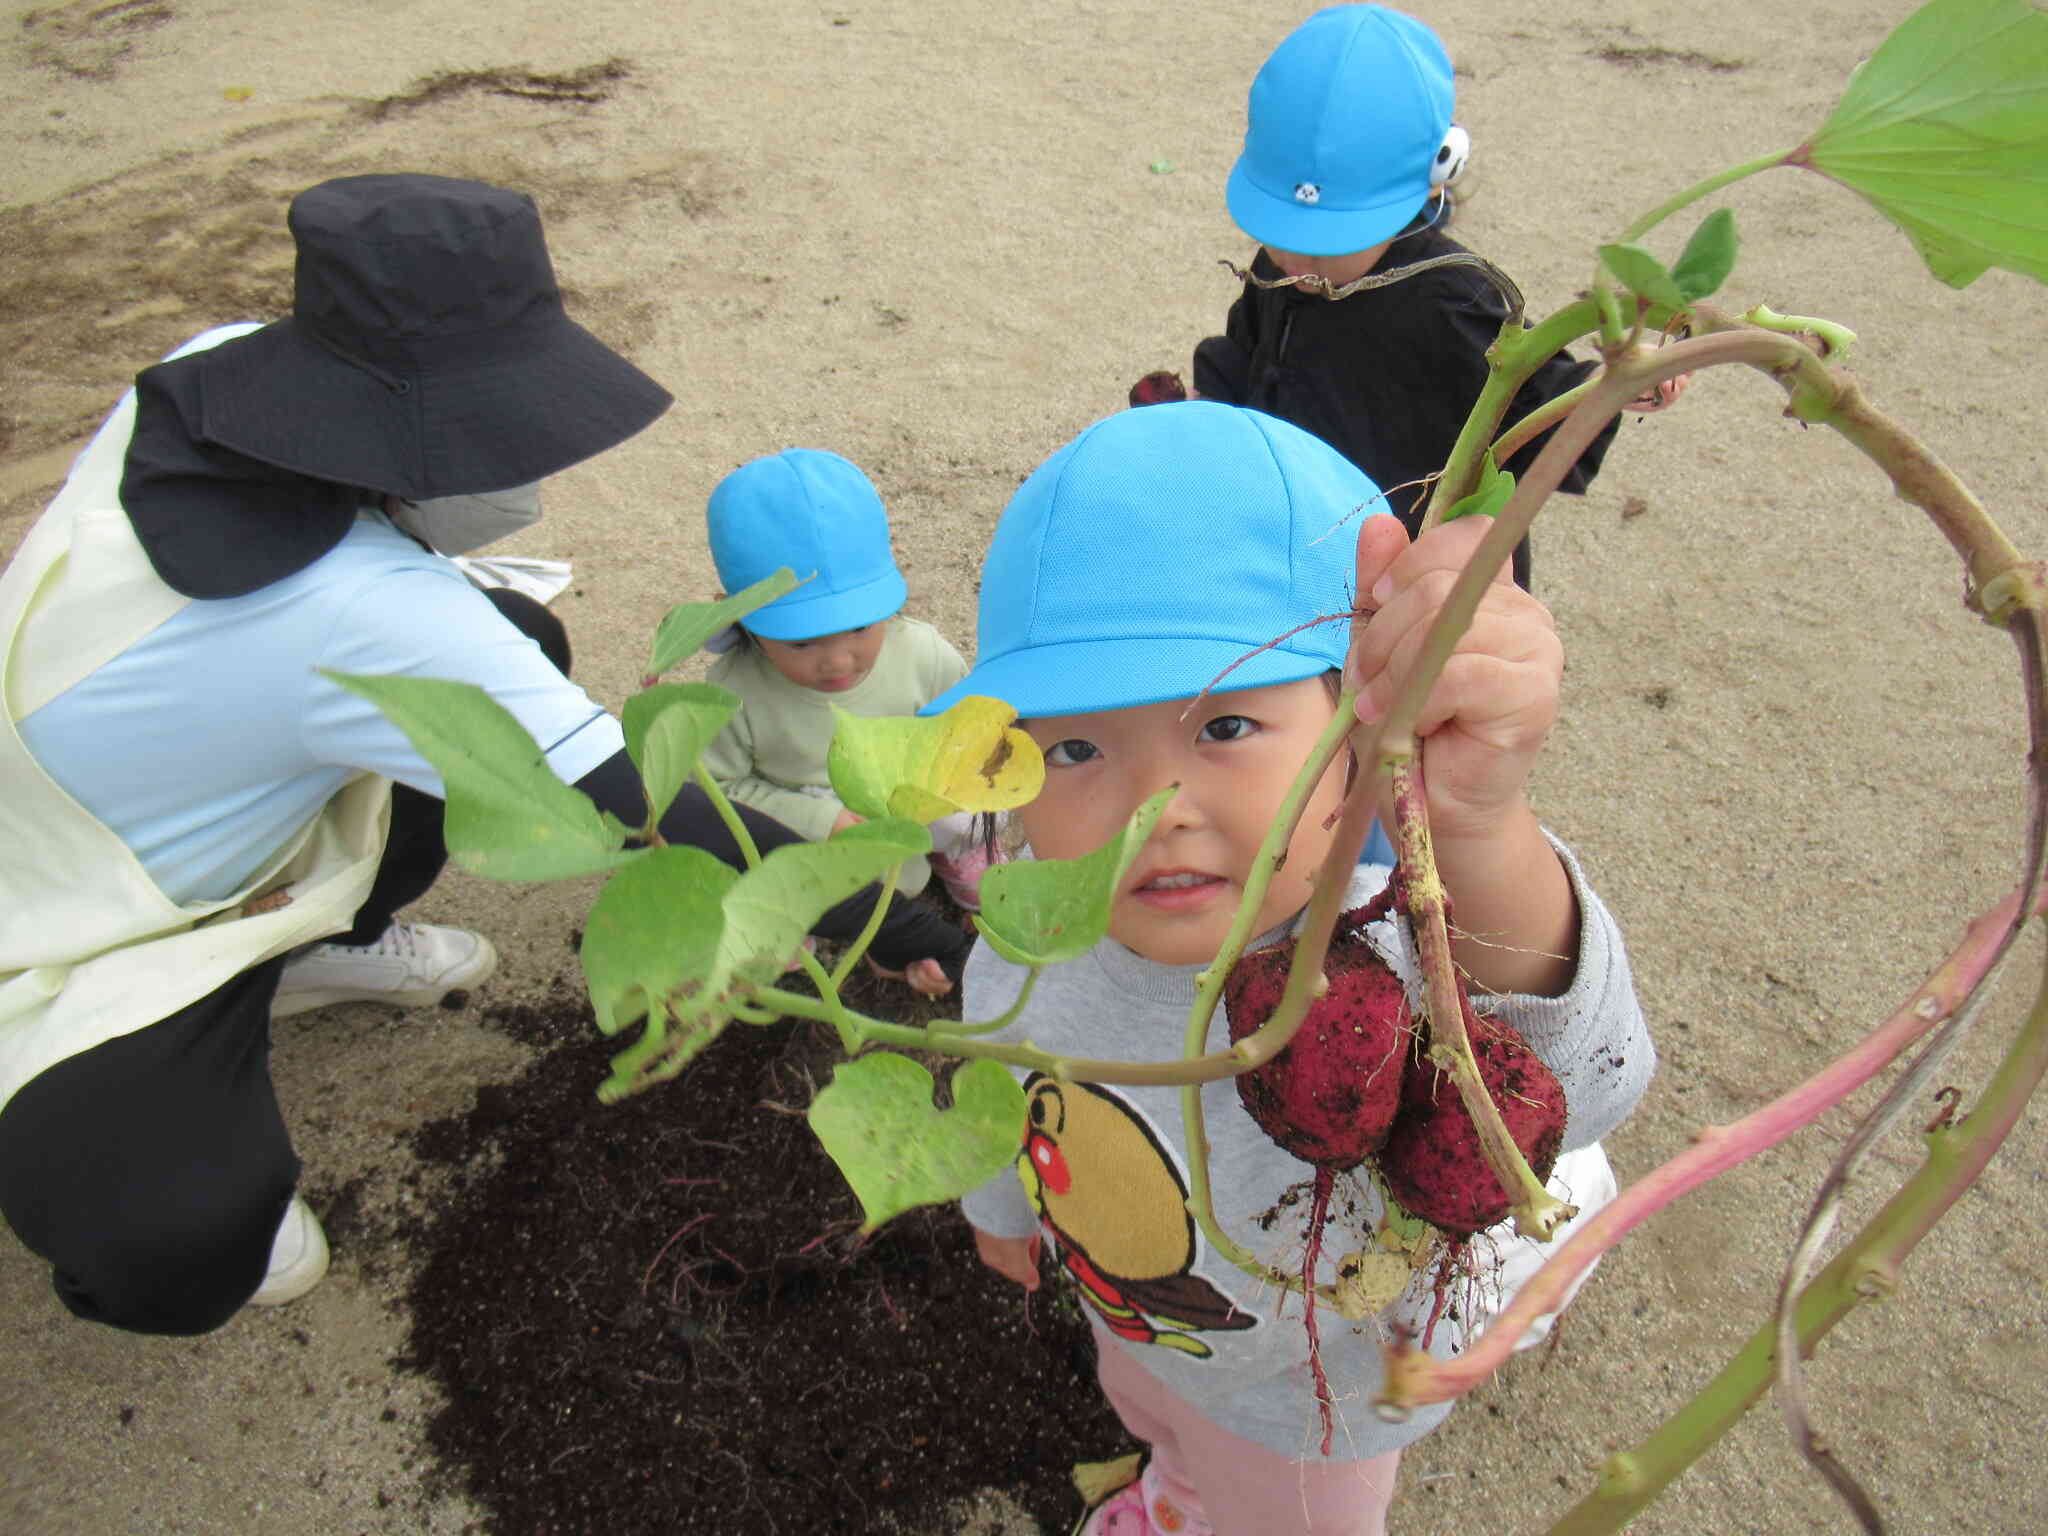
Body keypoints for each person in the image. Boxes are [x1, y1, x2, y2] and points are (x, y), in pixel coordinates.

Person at [0, 172, 967, 1337]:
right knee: (184, 1229)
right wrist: (927, 936)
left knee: (523, 646)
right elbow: (654, 807)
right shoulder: (360, 614)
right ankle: (190, 1093)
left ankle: (314, 942)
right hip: (71, 916)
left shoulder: (232, 368)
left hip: (140, 787)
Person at [930, 402, 1654, 1535]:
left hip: (1316, 1401)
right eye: (1072, 748)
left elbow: (1586, 1086)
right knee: (1148, 1401)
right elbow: (995, 1092)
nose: (1153, 809)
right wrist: (1000, 1214)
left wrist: (1480, 829)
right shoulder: (1026, 940)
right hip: (1151, 1320)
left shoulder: (1390, 949)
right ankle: (1174, 1483)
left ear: (1358, 735)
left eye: (1222, 728)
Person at [1188, 3, 1682, 590]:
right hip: (1303, 541)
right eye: (1280, 232)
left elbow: (1536, 411)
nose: (1296, 262)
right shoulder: (1282, 266)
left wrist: (1617, 384)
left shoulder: (1452, 300)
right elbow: (1254, 348)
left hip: (1419, 569)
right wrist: (1213, 407)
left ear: (1443, 168)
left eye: (1329, 243)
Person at [699, 448, 997, 968]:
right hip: (812, 827)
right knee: (777, 912)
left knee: (970, 821)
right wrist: (818, 816)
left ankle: (954, 857)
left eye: (860, 625)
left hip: (911, 801)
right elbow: (717, 792)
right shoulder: (731, 693)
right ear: (746, 622)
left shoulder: (923, 653)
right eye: (800, 643)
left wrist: (942, 791)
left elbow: (969, 727)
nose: (838, 660)